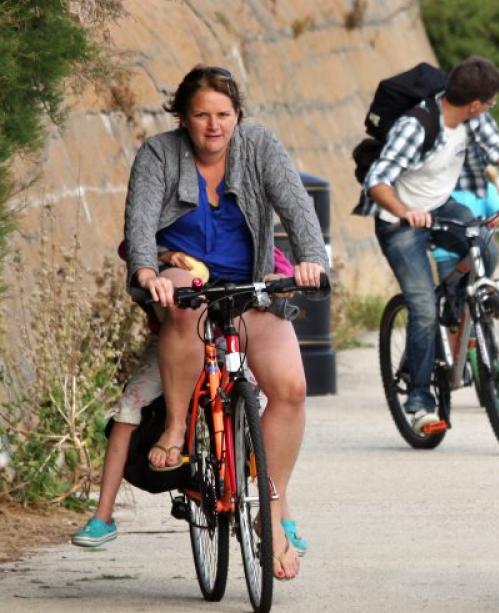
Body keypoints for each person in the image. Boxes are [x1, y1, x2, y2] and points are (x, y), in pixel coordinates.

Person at [122, 65, 328, 580]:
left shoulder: (259, 145)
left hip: (249, 283)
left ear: (237, 115)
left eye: (223, 115)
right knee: (184, 303)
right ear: (183, 117)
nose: (213, 126)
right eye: (201, 115)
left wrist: (311, 259)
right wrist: (147, 271)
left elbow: (297, 206)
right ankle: (175, 427)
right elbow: (140, 221)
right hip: (183, 275)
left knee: (291, 389)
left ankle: (273, 512)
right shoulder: (158, 154)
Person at [71, 250, 310, 558]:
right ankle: (102, 516)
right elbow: (133, 245)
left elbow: (277, 266)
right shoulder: (172, 232)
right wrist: (168, 257)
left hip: (234, 338)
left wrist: (281, 278)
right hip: (180, 343)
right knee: (130, 409)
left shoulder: (246, 237)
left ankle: (277, 514)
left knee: (267, 417)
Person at [357, 56, 499, 433]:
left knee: (485, 246)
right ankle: (420, 401)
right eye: (489, 102)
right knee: (423, 308)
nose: (490, 108)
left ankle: (463, 299)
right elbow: (376, 181)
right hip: (400, 220)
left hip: (442, 206)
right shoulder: (417, 125)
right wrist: (405, 211)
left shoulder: (473, 119)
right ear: (474, 103)